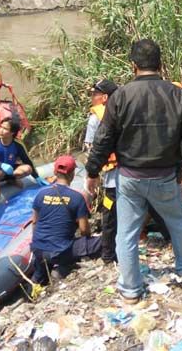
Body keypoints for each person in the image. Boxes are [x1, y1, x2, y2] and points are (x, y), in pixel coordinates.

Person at [85, 39, 182, 304]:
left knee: (126, 233)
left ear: (133, 65)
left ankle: (131, 290)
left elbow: (103, 139)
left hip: (130, 177)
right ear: (161, 64)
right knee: (179, 223)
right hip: (165, 175)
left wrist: (92, 171)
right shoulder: (177, 94)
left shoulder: (120, 96)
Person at [30, 155, 101, 284]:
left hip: (38, 249)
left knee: (40, 273)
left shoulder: (40, 194)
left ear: (55, 172)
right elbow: (84, 230)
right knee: (102, 241)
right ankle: (62, 269)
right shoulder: (77, 197)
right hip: (60, 251)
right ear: (73, 174)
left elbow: (34, 222)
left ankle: (37, 281)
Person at [83, 79, 120, 263]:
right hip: (133, 171)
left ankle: (107, 255)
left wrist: (92, 173)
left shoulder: (95, 118)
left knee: (109, 214)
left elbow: (92, 150)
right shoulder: (126, 109)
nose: (92, 97)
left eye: (94, 94)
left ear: (104, 97)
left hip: (113, 174)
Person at [0, 117, 40, 185]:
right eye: (1, 127)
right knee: (0, 174)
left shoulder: (18, 144)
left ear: (12, 133)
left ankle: (11, 179)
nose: (1, 130)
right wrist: (0, 165)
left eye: (5, 129)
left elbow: (27, 160)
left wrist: (36, 177)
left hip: (10, 170)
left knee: (27, 168)